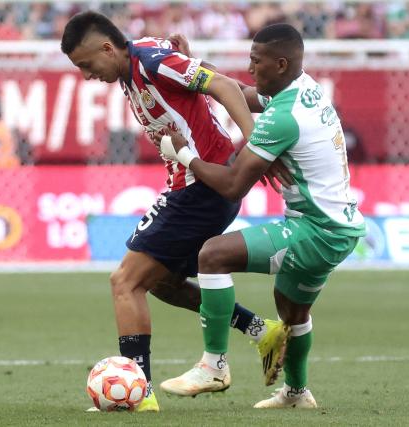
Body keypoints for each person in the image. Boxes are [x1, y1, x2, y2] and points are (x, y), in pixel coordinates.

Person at [61, 11, 291, 412]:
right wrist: (188, 56)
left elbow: (221, 85)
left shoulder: (150, 62)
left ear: (107, 48)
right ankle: (261, 331)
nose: (86, 74)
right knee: (162, 283)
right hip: (196, 189)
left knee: (125, 282)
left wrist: (257, 147)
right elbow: (189, 78)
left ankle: (138, 391)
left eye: (86, 64)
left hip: (201, 188)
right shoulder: (143, 58)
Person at [156, 23, 366, 408]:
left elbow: (234, 184)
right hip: (340, 228)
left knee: (212, 256)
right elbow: (243, 93)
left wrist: (183, 155)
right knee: (291, 309)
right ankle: (296, 393)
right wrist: (191, 64)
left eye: (256, 61)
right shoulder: (301, 89)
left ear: (280, 63)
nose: (250, 68)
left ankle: (214, 366)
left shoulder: (283, 117)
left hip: (315, 230)